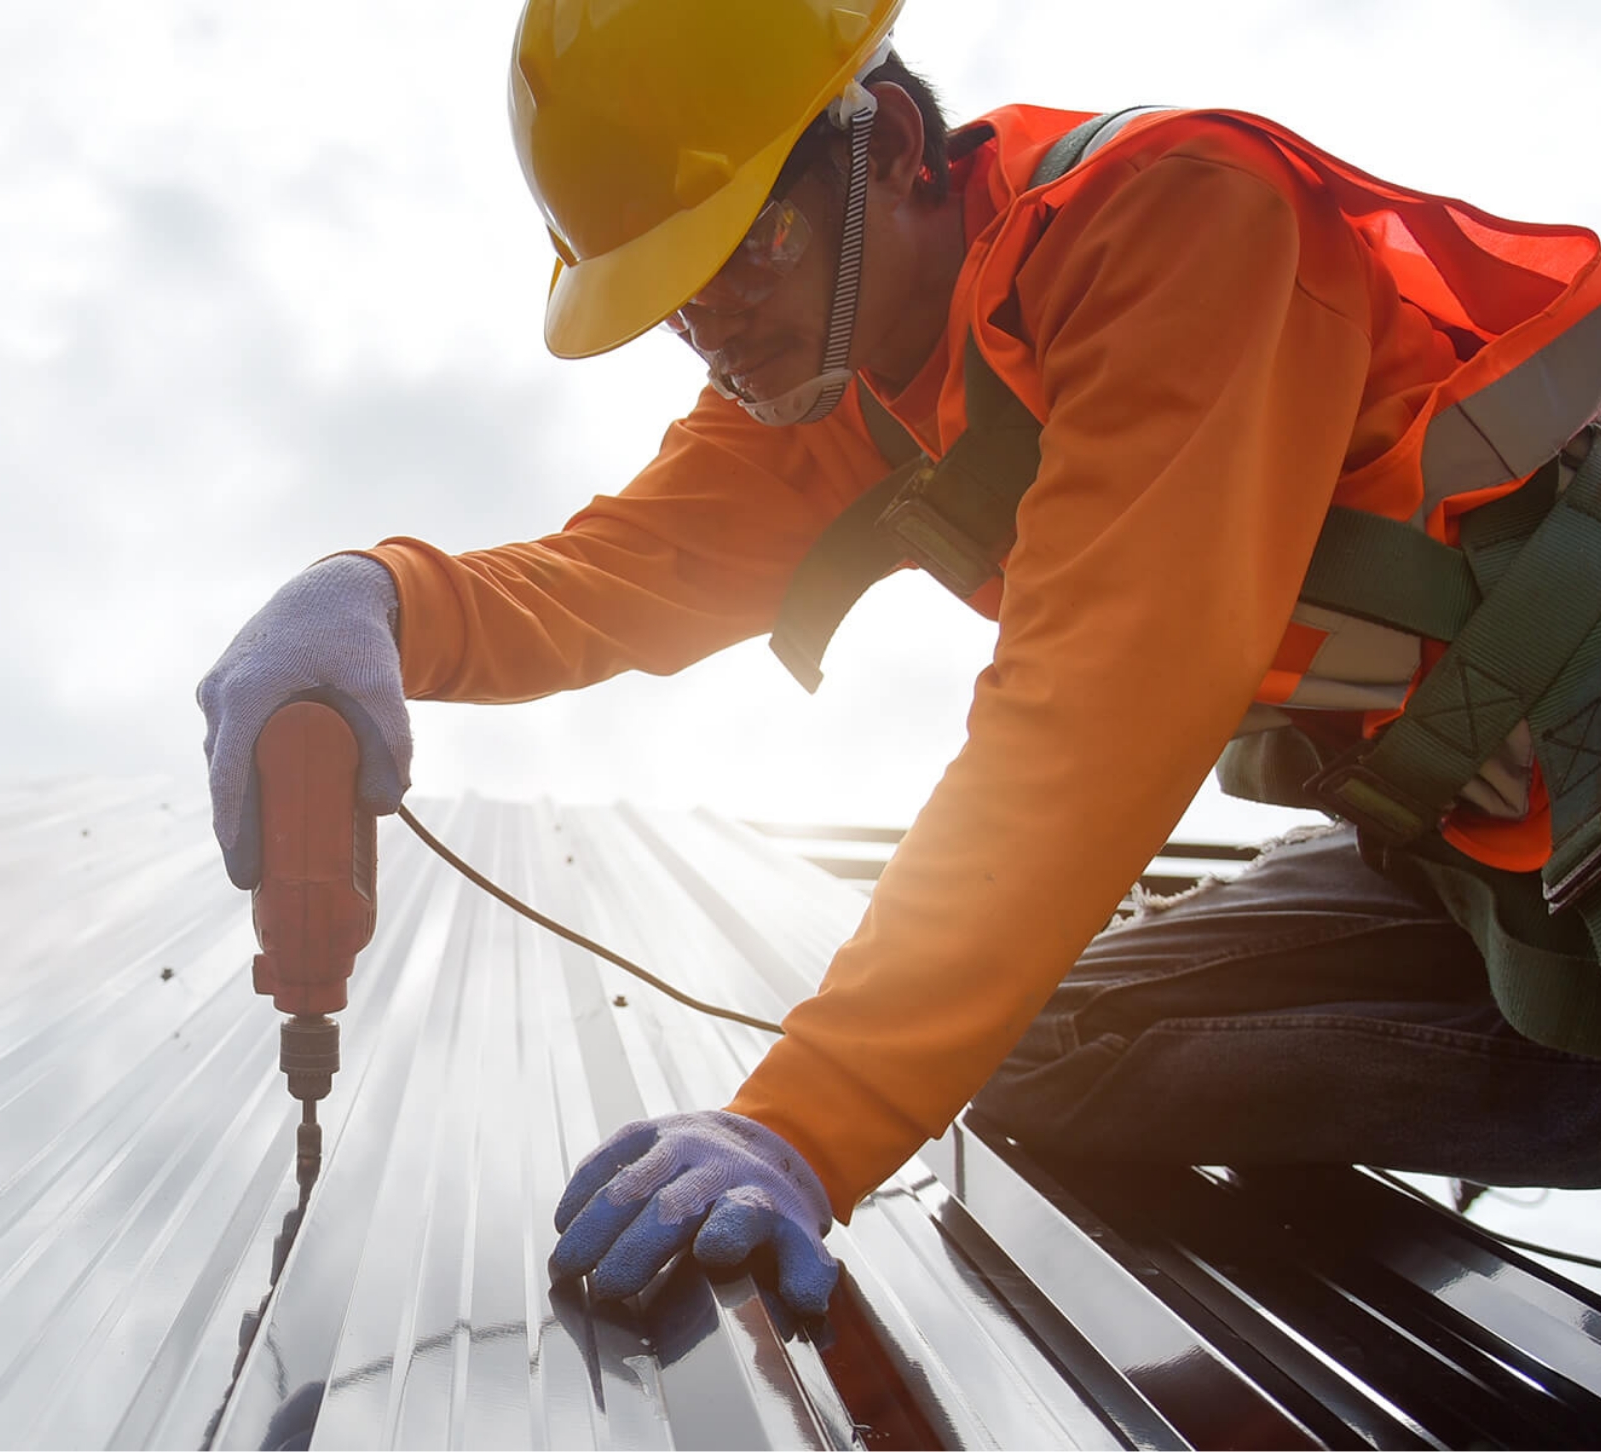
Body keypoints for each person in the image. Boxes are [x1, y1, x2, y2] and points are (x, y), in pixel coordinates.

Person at [199, 0, 1601, 1317]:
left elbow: (1092, 716)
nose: (716, 329)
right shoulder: (846, 386)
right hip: (1470, 860)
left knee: (944, 1059)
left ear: (894, 150)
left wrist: (808, 1123)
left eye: (745, 253)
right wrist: (376, 600)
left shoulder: (1180, 220)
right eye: (672, 300)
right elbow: (620, 570)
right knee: (1049, 1057)